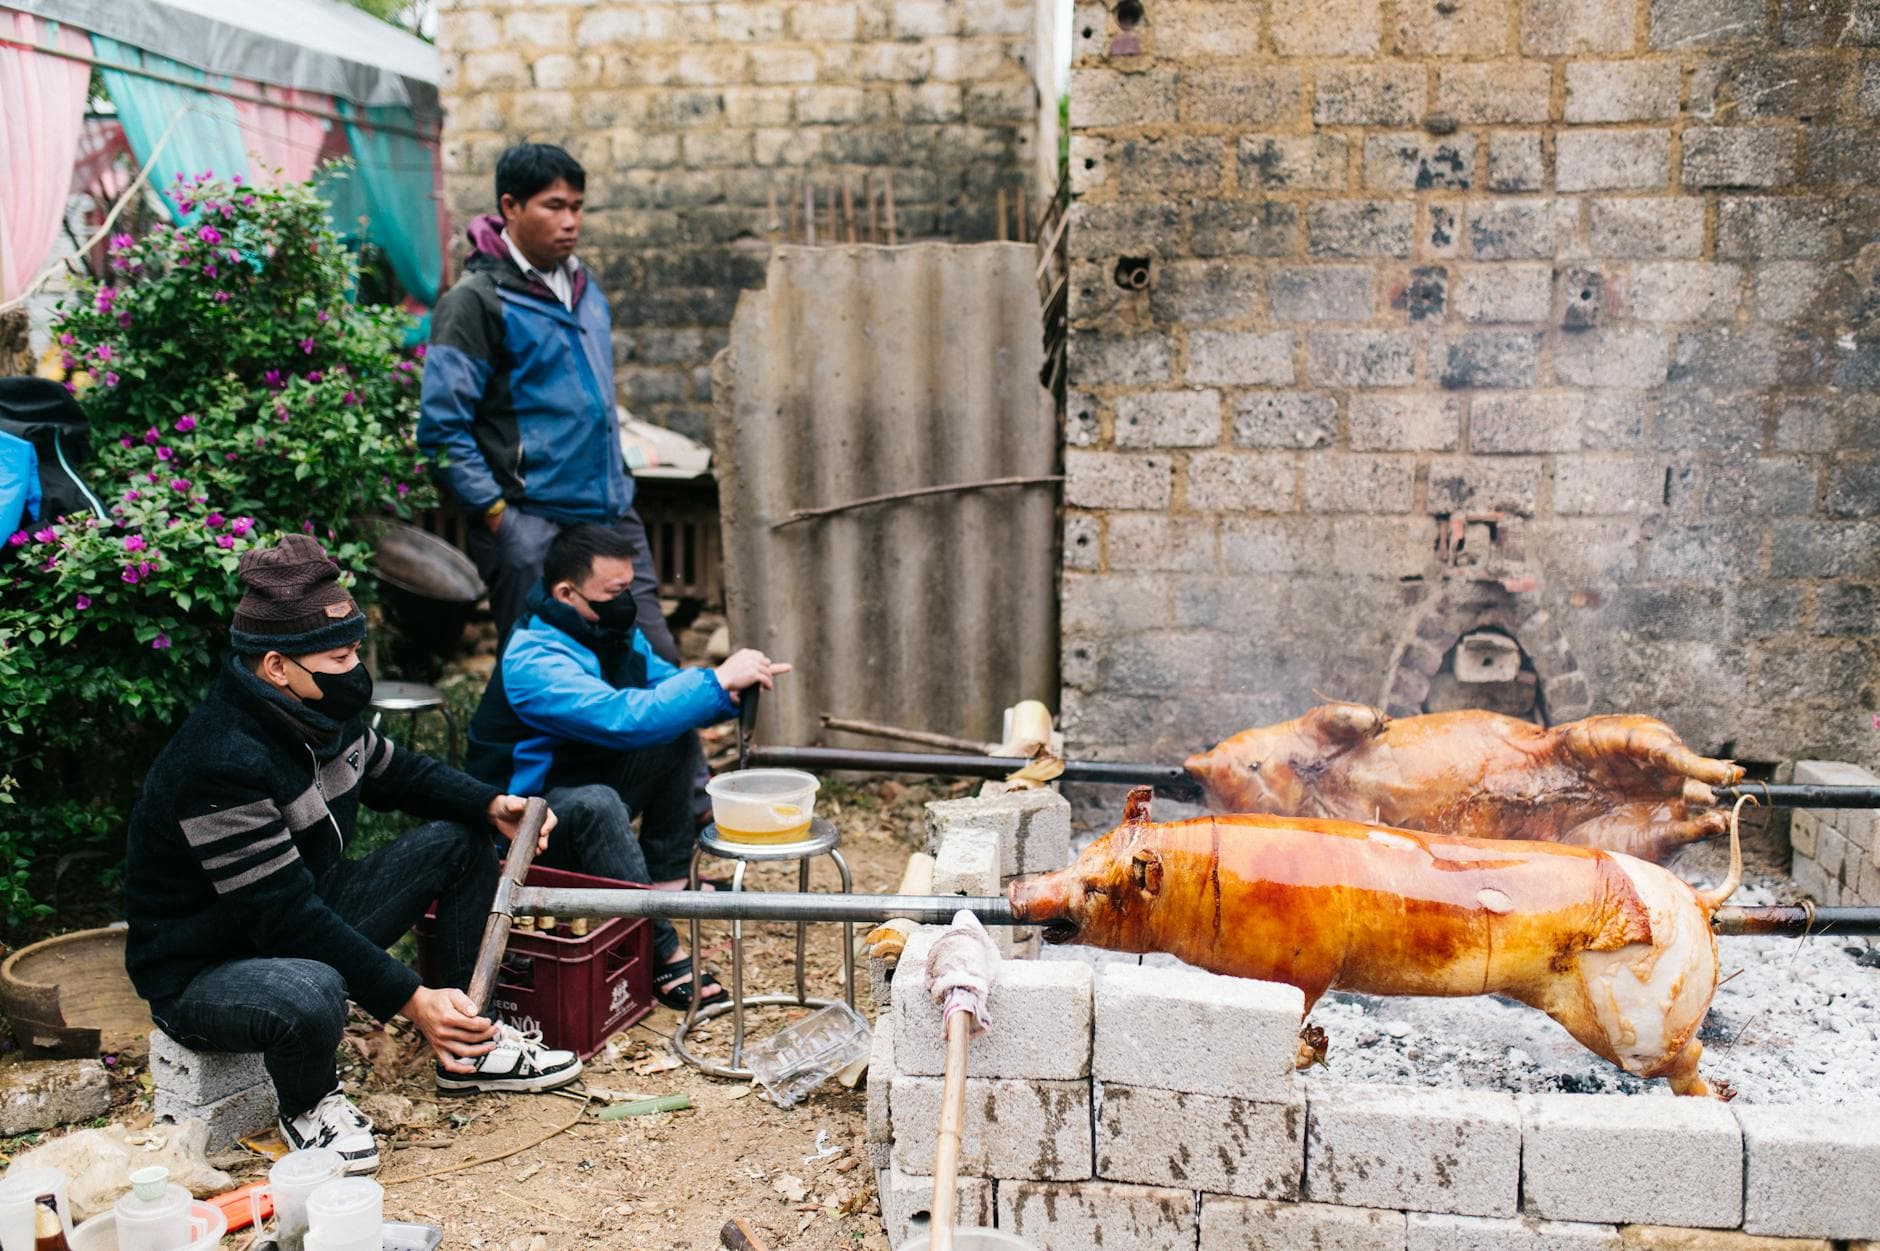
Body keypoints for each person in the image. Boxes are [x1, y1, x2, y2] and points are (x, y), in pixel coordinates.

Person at [125, 535, 582, 1176]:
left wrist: (489, 804)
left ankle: (470, 1043)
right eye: (339, 656)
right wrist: (411, 998)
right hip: (205, 969)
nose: (356, 669)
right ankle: (310, 1106)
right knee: (315, 988)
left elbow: (398, 772)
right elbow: (284, 919)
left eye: (356, 650)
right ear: (277, 666)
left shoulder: (318, 713)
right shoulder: (219, 762)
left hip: (293, 914)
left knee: (459, 841)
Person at [465, 524, 791, 1010]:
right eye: (615, 591)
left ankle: (667, 881)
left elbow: (662, 687)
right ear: (565, 592)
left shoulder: (603, 626)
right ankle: (659, 947)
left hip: (572, 788)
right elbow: (621, 719)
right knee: (599, 803)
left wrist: (724, 693)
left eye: (629, 587)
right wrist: (715, 677)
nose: (626, 601)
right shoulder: (534, 659)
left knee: (673, 735)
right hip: (520, 824)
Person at [417, 142, 674, 657]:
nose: (570, 221)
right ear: (510, 207)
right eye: (554, 206)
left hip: (609, 514)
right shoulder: (476, 302)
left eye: (577, 207)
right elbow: (442, 430)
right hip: (532, 525)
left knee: (653, 660)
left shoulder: (584, 287)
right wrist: (497, 516)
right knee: (547, 674)